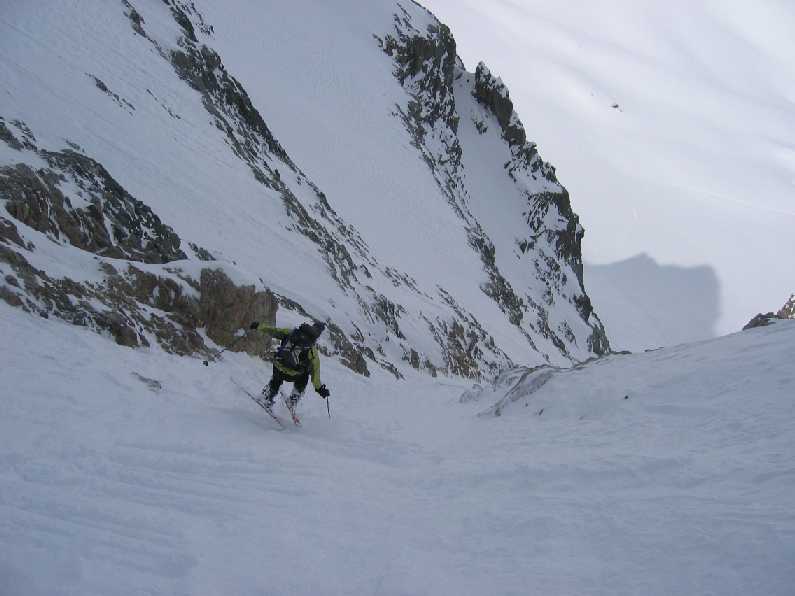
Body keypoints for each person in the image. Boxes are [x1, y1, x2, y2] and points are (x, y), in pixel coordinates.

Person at [248, 320, 331, 414]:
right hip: (293, 375)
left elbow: (274, 331)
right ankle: (294, 399)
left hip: (278, 367)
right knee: (306, 373)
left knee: (277, 375)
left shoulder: (292, 333)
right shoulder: (312, 351)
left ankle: (268, 395)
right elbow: (315, 374)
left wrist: (259, 326)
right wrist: (320, 389)